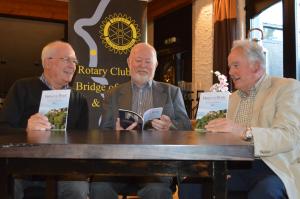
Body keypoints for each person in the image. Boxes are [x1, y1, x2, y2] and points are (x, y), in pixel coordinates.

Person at [90, 42, 192, 199]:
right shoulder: (113, 94)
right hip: (120, 163)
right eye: (138, 60)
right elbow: (104, 132)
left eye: (148, 61)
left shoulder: (172, 92)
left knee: (157, 190)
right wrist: (116, 133)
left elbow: (186, 129)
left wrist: (170, 126)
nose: (142, 65)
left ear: (156, 65)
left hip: (156, 164)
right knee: (99, 186)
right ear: (129, 62)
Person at [205, 40, 300, 199]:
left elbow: (288, 136)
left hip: (274, 166)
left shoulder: (287, 88)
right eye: (229, 67)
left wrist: (242, 131)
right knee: (194, 186)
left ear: (255, 67)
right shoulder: (231, 98)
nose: (230, 72)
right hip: (236, 166)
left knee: (265, 191)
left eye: (236, 65)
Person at [0, 41, 89, 199]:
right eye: (66, 59)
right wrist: (26, 131)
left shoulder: (79, 99)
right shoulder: (22, 87)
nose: (72, 65)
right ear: (47, 62)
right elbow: (3, 128)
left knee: (77, 189)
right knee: (8, 186)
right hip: (22, 165)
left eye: (74, 61)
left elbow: (83, 138)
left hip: (63, 168)